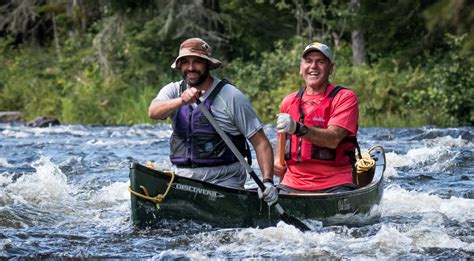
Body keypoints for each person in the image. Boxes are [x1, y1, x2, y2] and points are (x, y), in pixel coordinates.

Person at [148, 37, 278, 205]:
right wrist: (181, 101)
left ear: (208, 64)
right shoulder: (173, 90)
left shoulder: (231, 96)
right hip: (184, 179)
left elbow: (261, 143)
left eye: (197, 62)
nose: (191, 68)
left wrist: (267, 181)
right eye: (185, 62)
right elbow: (153, 112)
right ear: (179, 66)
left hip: (224, 181)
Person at [275, 42, 359, 193]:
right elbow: (282, 142)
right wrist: (276, 162)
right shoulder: (288, 101)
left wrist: (297, 128)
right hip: (291, 183)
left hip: (335, 184)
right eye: (308, 61)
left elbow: (333, 139)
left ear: (330, 68)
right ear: (301, 68)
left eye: (320, 62)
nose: (313, 66)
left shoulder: (345, 97)